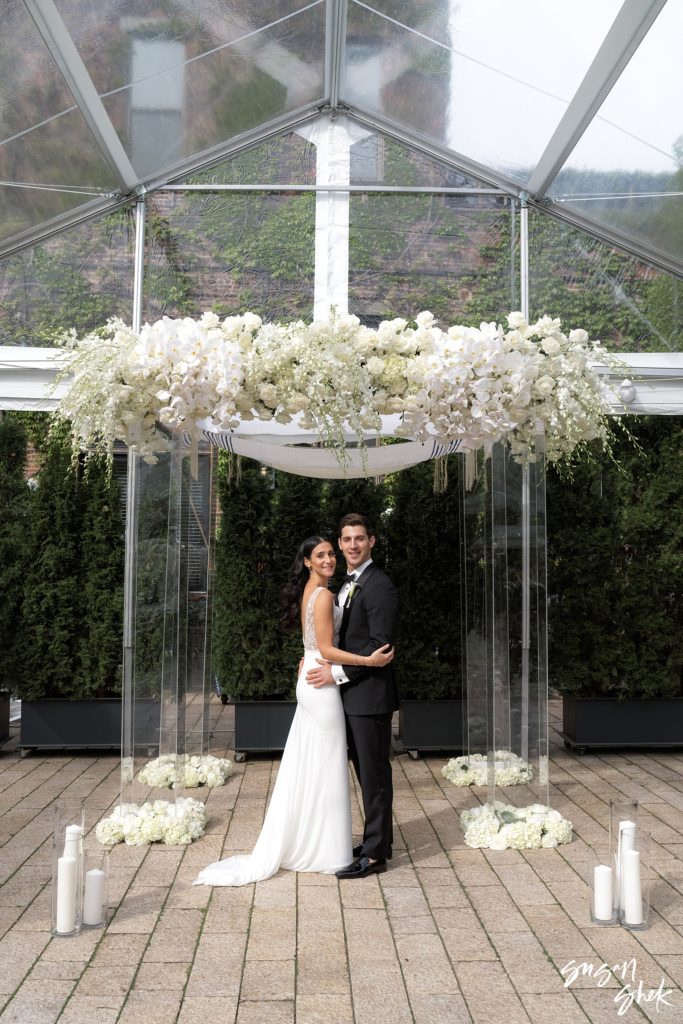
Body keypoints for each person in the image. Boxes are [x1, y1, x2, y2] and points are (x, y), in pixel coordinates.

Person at [193, 535, 393, 886]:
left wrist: (312, 656)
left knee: (316, 764)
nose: (330, 558)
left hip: (317, 680)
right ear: (307, 562)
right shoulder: (326, 594)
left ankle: (321, 842)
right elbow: (329, 649)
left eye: (332, 552)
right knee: (327, 766)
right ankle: (327, 848)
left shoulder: (315, 591)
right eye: (322, 554)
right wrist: (367, 660)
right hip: (323, 682)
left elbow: (318, 641)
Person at [307, 513, 399, 879]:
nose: (352, 545)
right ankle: (379, 841)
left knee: (374, 776)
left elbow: (381, 648)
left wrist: (336, 673)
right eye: (346, 540)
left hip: (371, 697)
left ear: (372, 541)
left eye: (359, 538)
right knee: (366, 773)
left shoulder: (380, 586)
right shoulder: (346, 582)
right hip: (350, 696)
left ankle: (375, 855)